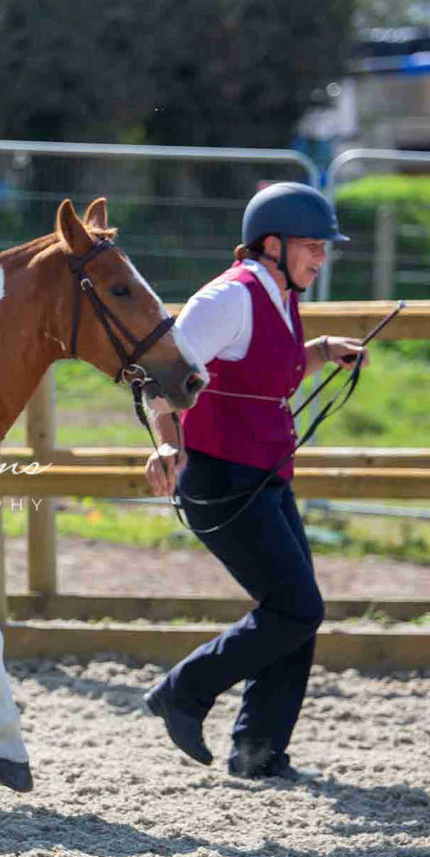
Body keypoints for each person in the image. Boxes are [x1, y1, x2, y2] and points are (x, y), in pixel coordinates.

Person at [141, 181, 369, 781]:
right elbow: (157, 377)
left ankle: (259, 752)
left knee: (294, 609)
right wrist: (166, 441)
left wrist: (320, 350)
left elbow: (260, 365)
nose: (322, 258)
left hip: (262, 472)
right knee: (296, 608)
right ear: (272, 244)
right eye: (313, 247)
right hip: (220, 475)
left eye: (325, 248)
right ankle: (184, 690)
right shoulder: (228, 299)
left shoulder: (278, 293)